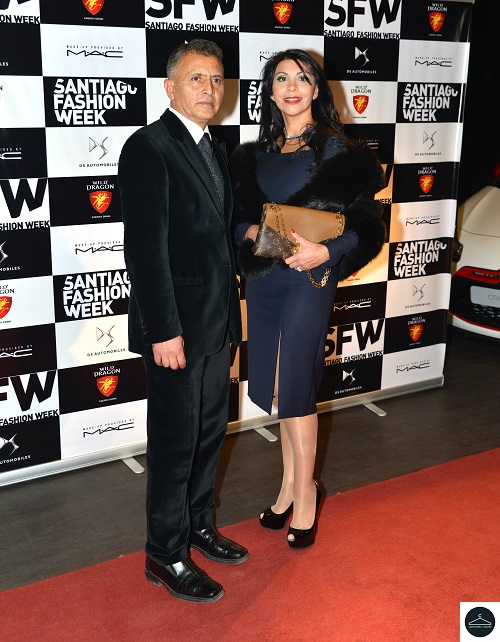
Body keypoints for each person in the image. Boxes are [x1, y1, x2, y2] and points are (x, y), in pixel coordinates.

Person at [231, 49, 385, 549]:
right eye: (281, 78)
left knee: (297, 386)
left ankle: (305, 496)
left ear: (317, 89)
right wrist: (251, 231)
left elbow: (368, 223)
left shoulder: (338, 151)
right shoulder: (253, 155)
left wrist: (327, 251)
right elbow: (235, 219)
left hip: (309, 281)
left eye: (302, 78)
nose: (292, 87)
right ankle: (288, 487)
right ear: (270, 92)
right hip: (265, 281)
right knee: (280, 388)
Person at [118, 39, 247, 604]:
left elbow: (218, 235)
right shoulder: (148, 147)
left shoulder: (214, 146)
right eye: (197, 79)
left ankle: (198, 528)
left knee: (209, 433)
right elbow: (145, 251)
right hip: (176, 330)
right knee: (174, 444)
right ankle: (164, 553)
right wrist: (163, 331)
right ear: (170, 88)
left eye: (217, 79)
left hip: (216, 325)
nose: (210, 89)